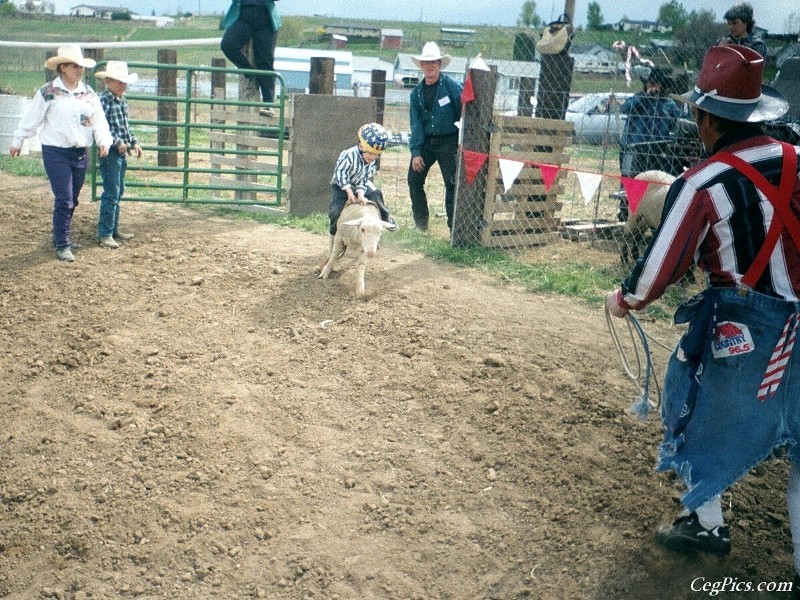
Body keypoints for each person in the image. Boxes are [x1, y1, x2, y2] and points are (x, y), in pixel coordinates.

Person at [605, 45, 800, 583]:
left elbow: (658, 270)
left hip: (747, 331)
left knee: (686, 401)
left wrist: (625, 299)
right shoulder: (799, 162)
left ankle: (707, 524)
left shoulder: (701, 183)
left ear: (708, 119)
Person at [9, 44, 111, 262]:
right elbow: (32, 119)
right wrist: (18, 140)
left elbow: (98, 121)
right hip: (56, 152)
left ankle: (60, 236)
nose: (79, 70)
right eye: (75, 66)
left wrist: (103, 140)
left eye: (81, 66)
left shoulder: (88, 93)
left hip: (80, 152)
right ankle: (63, 242)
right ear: (63, 67)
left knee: (72, 198)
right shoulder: (48, 92)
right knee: (64, 198)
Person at [407, 42, 462, 233]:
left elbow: (464, 112)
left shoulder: (452, 88)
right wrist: (416, 152)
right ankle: (421, 224)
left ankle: (453, 228)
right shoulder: (416, 94)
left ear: (439, 64)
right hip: (426, 144)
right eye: (426, 62)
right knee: (414, 179)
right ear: (421, 65)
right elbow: (415, 123)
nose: (430, 66)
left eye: (434, 62)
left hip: (449, 142)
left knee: (452, 183)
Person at [617, 66, 683, 221]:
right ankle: (625, 214)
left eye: (657, 84)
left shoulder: (669, 104)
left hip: (657, 150)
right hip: (633, 148)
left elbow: (680, 121)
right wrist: (645, 97)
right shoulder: (637, 99)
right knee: (630, 179)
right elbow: (625, 108)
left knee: (654, 183)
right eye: (651, 83)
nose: (653, 86)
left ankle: (647, 214)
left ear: (663, 86)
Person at [95, 61, 142, 249]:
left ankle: (112, 229)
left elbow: (125, 126)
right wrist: (118, 142)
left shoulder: (122, 101)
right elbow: (102, 127)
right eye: (119, 82)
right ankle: (105, 233)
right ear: (108, 81)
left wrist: (134, 142)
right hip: (111, 152)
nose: (123, 86)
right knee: (112, 191)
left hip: (120, 152)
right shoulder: (104, 100)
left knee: (117, 190)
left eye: (124, 82)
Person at [326, 122, 398, 240]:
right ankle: (333, 233)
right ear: (361, 146)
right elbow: (340, 174)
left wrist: (360, 193)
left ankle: (385, 217)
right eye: (369, 152)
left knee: (376, 194)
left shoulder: (371, 161)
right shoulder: (348, 155)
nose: (372, 157)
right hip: (341, 185)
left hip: (359, 183)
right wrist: (349, 191)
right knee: (335, 210)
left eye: (376, 154)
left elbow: (364, 178)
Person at [220, 0, 281, 117]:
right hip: (243, 14)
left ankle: (269, 104)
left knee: (265, 61)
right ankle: (251, 74)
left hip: (266, 17)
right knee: (228, 45)